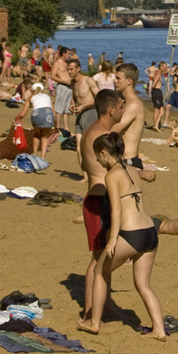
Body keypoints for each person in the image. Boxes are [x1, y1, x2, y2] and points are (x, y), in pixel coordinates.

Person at [79, 132, 166, 340]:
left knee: (100, 272)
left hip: (131, 233)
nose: (98, 162)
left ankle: (94, 323)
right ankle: (159, 330)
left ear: (103, 153)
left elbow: (116, 209)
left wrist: (112, 239)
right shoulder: (134, 170)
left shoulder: (111, 175)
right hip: (149, 232)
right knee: (143, 284)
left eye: (98, 157)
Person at [78, 89, 126, 325]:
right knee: (98, 260)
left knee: (106, 257)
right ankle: (89, 310)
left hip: (97, 198)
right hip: (99, 201)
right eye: (121, 106)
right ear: (111, 109)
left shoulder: (90, 131)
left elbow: (82, 164)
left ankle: (104, 305)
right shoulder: (103, 136)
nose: (123, 110)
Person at [70, 59, 99, 170]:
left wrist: (84, 106)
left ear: (78, 69)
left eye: (71, 69)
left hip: (91, 113)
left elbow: (99, 98)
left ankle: (93, 172)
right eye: (68, 69)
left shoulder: (88, 81)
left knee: (88, 146)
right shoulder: (73, 83)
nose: (69, 72)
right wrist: (72, 105)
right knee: (78, 147)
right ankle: (85, 175)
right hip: (80, 115)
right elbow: (73, 98)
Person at [15, 82, 54, 159]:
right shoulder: (48, 97)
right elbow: (54, 112)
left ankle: (35, 154)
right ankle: (43, 157)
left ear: (32, 90)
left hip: (37, 114)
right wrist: (56, 124)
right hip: (48, 114)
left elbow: (23, 113)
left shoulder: (31, 97)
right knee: (45, 137)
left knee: (37, 134)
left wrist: (17, 119)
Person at [51, 46, 73, 131]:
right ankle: (58, 128)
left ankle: (66, 129)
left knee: (67, 109)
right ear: (63, 54)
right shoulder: (58, 63)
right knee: (59, 109)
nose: (69, 55)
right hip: (62, 87)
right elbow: (53, 76)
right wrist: (63, 81)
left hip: (69, 88)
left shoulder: (67, 63)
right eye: (68, 54)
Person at [149, 61, 167, 131]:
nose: (166, 68)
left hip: (157, 91)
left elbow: (165, 72)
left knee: (159, 110)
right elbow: (155, 81)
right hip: (157, 91)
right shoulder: (158, 73)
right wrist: (153, 86)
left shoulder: (158, 72)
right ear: (161, 67)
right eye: (164, 67)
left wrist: (170, 70)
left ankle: (155, 125)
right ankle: (155, 125)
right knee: (158, 110)